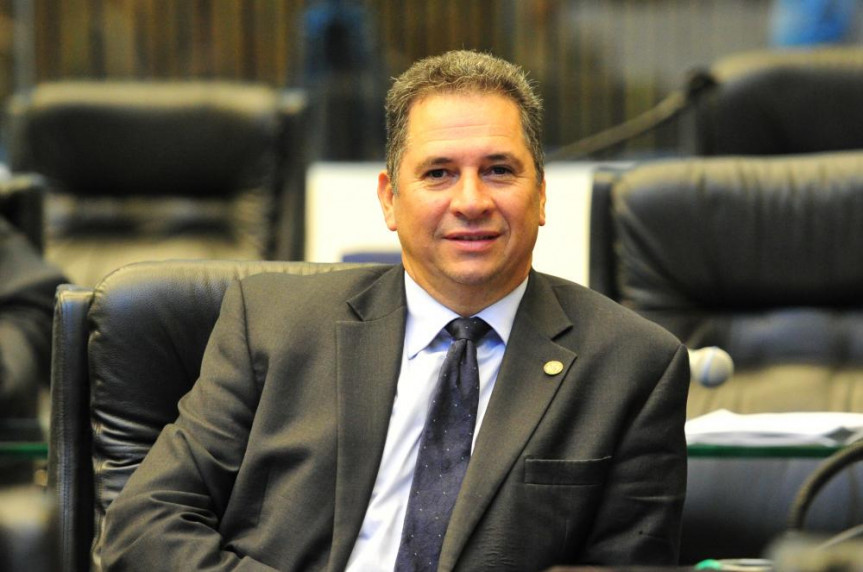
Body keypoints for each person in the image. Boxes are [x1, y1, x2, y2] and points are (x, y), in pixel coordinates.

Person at [102, 50, 689, 571]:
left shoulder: (633, 364)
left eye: (499, 170)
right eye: (438, 173)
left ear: (540, 194)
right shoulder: (272, 322)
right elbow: (146, 523)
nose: (471, 201)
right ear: (390, 199)